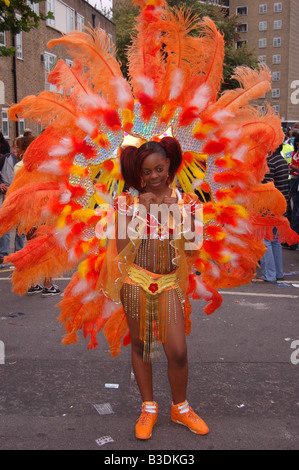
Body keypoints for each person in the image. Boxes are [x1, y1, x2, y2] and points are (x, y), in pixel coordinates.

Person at [117, 137, 209, 439]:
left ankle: (180, 407)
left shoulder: (189, 202)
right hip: (135, 282)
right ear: (138, 174)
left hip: (169, 283)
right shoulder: (125, 202)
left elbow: (194, 248)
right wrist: (136, 214)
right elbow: (120, 247)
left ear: (169, 163)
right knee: (142, 346)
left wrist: (177, 215)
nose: (153, 176)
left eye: (158, 168)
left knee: (178, 351)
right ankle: (149, 408)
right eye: (146, 172)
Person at [13, 135, 61, 296]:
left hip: (27, 214)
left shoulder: (19, 166)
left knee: (31, 247)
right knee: (48, 250)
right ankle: (48, 285)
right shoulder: (46, 166)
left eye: (16, 147)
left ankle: (33, 283)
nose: (14, 150)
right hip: (45, 213)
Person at [257, 145, 290, 282]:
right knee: (275, 241)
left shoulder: (269, 163)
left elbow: (263, 186)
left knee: (266, 241)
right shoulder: (282, 161)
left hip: (268, 207)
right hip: (280, 207)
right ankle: (278, 273)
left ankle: (269, 275)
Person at [0, 139, 26, 267]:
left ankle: (19, 255)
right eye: (14, 148)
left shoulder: (26, 162)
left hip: (21, 197)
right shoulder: (5, 159)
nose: (15, 151)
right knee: (5, 226)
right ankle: (3, 255)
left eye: (17, 148)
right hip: (9, 196)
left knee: (20, 228)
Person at [289, 134, 299, 249]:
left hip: (296, 182)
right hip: (294, 181)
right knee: (294, 211)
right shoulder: (295, 152)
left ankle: (294, 241)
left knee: (297, 214)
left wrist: (292, 166)